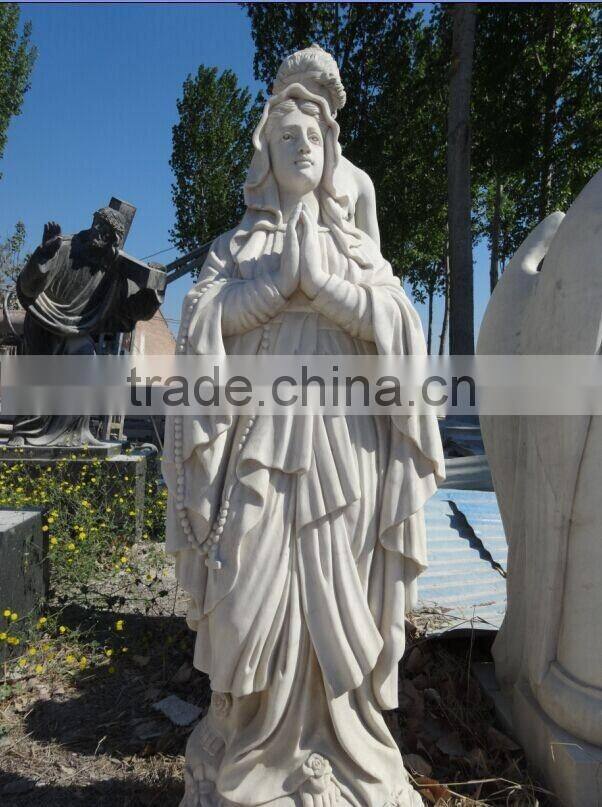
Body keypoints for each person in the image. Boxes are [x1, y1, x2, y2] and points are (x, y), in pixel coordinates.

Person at [163, 77, 443, 807]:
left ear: (332, 150)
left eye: (315, 137)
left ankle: (341, 742)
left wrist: (327, 289)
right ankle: (246, 729)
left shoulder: (356, 245)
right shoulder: (234, 247)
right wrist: (269, 287)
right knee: (247, 582)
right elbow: (198, 324)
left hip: (344, 448)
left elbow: (401, 329)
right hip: (259, 442)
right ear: (266, 155)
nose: (304, 146)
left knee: (338, 592)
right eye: (288, 137)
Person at [10, 207, 164, 447]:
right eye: (98, 225)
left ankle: (73, 435)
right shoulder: (63, 248)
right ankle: (24, 432)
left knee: (85, 357)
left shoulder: (113, 269)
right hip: (42, 322)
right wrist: (42, 256)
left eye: (107, 232)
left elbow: (125, 313)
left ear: (115, 239)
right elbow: (28, 289)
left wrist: (153, 292)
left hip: (77, 331)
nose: (99, 233)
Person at [273, 44, 381, 249]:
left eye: (316, 102)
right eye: (297, 98)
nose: (306, 109)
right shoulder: (268, 168)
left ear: (332, 109)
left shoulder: (359, 180)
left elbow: (376, 262)